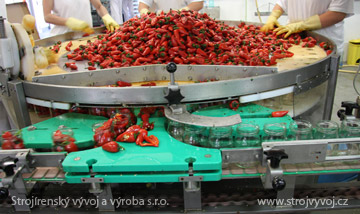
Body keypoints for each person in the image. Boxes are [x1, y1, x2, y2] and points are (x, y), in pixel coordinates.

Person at [261, 0, 354, 54]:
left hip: (323, 42)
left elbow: (338, 13)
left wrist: (303, 25)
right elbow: (282, 3)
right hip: (292, 39)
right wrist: (273, 16)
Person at [43, 0, 119, 36]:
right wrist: (68, 21)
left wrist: (106, 16)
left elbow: (99, 6)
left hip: (85, 36)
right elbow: (47, 16)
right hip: (63, 37)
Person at [138, 0, 204, 15]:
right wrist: (144, 11)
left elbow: (198, 4)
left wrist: (181, 11)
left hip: (186, 20)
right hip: (162, 22)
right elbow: (142, 5)